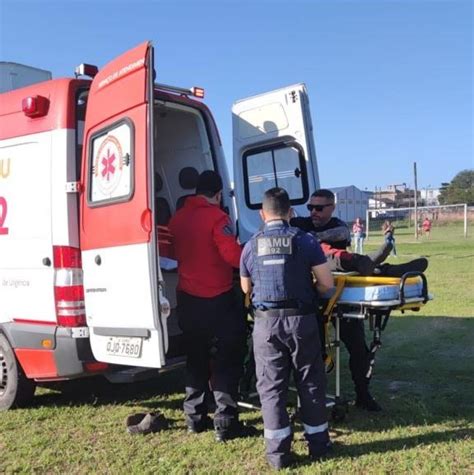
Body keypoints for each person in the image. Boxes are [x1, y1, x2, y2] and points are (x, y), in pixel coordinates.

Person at [291, 189, 428, 412]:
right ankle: (378, 266)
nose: (313, 212)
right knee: (311, 350)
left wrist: (309, 240)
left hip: (340, 289)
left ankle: (363, 394)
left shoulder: (339, 227)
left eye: (319, 208)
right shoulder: (300, 224)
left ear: (332, 208)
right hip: (313, 292)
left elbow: (334, 235)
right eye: (310, 207)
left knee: (358, 348)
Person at [240, 187, 334, 470]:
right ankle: (318, 446)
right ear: (291, 213)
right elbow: (327, 283)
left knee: (270, 388)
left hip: (266, 324)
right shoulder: (305, 240)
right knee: (311, 382)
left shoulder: (250, 245)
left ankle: (278, 455)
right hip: (301, 320)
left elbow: (246, 288)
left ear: (262, 214)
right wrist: (311, 291)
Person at [168, 170, 250, 442]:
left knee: (196, 356)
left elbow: (170, 252)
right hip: (218, 299)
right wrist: (250, 258)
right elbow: (231, 256)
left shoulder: (177, 219)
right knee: (227, 357)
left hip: (188, 299)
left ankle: (194, 417)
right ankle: (225, 420)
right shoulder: (218, 217)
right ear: (217, 194)